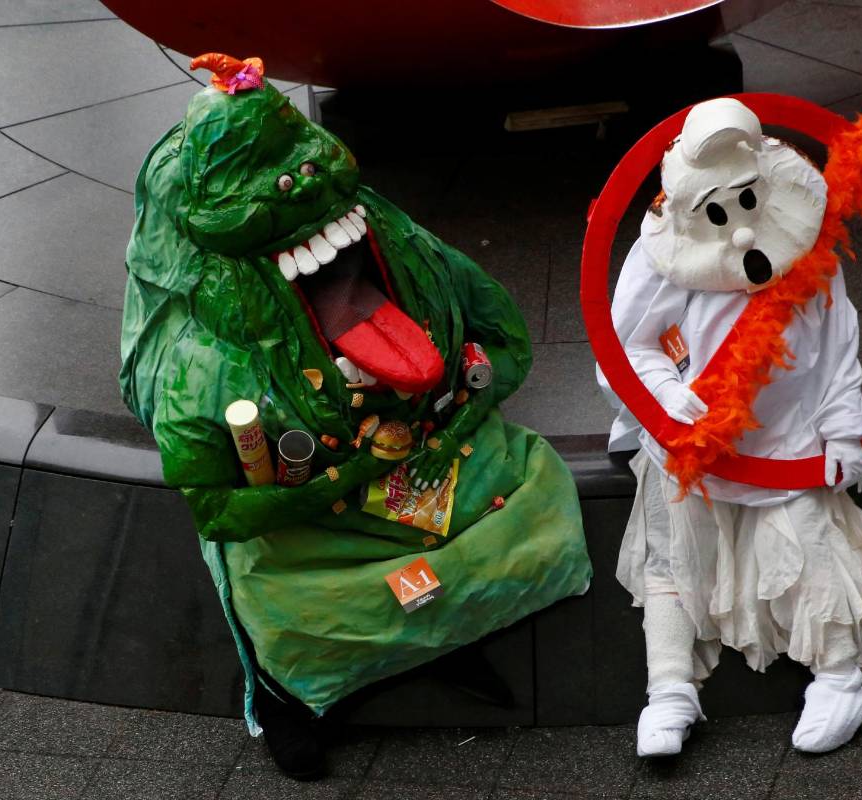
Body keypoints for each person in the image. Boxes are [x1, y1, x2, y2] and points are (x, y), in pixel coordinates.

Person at [120, 53, 591, 780]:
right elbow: (215, 509)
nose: (304, 183)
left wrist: (457, 426)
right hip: (310, 509)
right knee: (295, 599)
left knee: (501, 527)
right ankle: (291, 697)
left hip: (431, 465)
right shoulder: (207, 362)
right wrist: (347, 477)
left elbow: (506, 341)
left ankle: (442, 638)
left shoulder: (405, 251)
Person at [597, 97, 862, 757]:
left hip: (787, 438)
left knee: (805, 546)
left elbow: (833, 340)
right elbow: (625, 342)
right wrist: (660, 393)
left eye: (745, 203)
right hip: (689, 448)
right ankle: (671, 691)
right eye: (718, 211)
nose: (738, 233)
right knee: (671, 561)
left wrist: (845, 429)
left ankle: (841, 678)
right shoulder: (662, 254)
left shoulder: (800, 230)